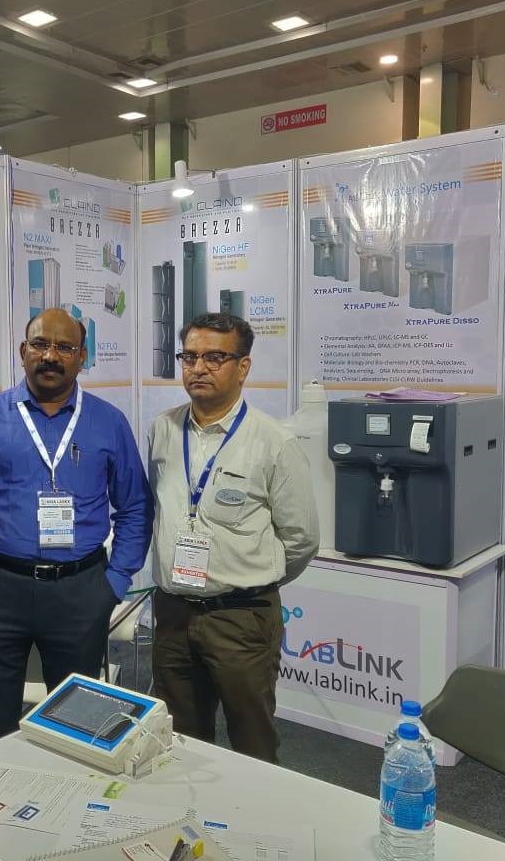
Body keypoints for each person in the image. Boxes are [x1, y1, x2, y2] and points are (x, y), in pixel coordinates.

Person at [0, 307, 152, 750]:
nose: (50, 356)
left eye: (64, 347)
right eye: (40, 344)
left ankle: (68, 795)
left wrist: (114, 581)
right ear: (23, 351)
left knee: (78, 723)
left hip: (80, 591)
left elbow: (135, 507)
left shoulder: (108, 422)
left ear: (82, 356)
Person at [148, 312, 319, 763]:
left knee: (252, 742)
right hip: (173, 613)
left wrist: (249, 579)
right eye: (189, 357)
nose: (198, 368)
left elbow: (301, 539)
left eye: (214, 357)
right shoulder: (162, 430)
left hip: (240, 617)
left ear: (243, 367)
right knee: (179, 742)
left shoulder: (274, 442)